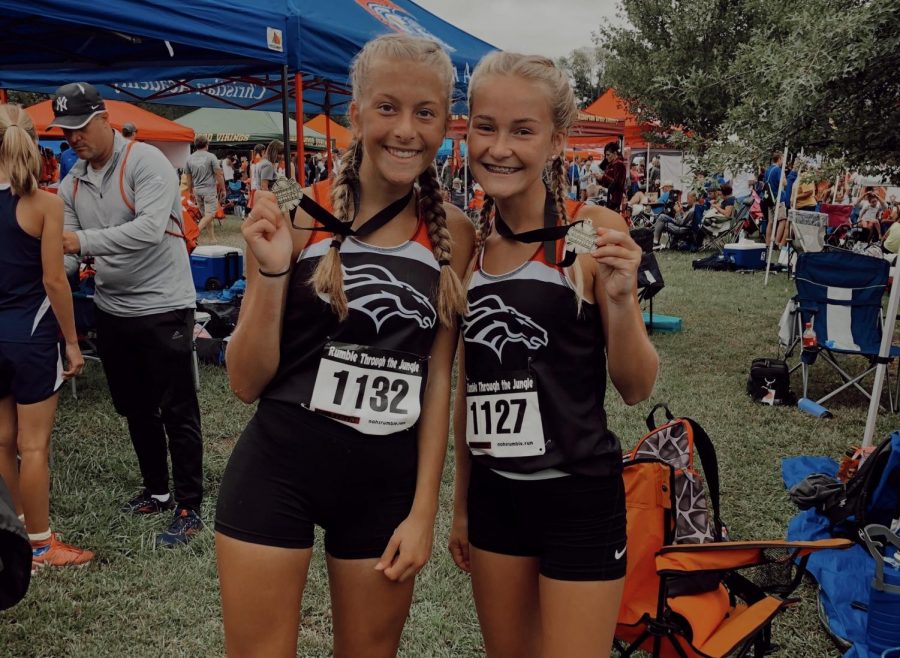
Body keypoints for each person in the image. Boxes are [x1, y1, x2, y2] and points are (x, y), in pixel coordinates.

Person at [214, 34, 474, 658]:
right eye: (387, 108)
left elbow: (440, 378)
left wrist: (423, 513)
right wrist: (273, 273)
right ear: (355, 114)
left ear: (445, 123)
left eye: (425, 112)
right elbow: (245, 382)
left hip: (383, 488)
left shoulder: (456, 237)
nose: (405, 129)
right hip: (277, 468)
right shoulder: (300, 215)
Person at [449, 51, 658, 658]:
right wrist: (461, 505)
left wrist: (619, 301)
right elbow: (471, 388)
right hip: (495, 497)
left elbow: (637, 386)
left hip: (578, 497)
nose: (499, 147)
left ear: (558, 139)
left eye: (523, 130)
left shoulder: (590, 230)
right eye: (485, 127)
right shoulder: (470, 245)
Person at [52, 82, 203, 548]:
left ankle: (188, 505)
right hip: (113, 308)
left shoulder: (146, 161)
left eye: (81, 127)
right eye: (67, 131)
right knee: (135, 408)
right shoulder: (71, 183)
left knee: (177, 409)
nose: (74, 138)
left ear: (104, 119)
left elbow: (150, 230)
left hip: (162, 304)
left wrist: (83, 245)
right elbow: (68, 254)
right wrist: (51, 278)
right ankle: (156, 491)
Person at [0, 104, 92, 569]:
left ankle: (15, 531)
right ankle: (40, 544)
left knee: (1, 441)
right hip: (30, 336)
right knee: (32, 446)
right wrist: (72, 342)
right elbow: (56, 281)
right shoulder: (46, 203)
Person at [185, 135, 225, 242]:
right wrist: (223, 189)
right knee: (210, 215)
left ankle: (212, 239)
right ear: (207, 145)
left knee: (205, 216)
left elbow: (188, 177)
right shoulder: (211, 157)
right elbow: (219, 174)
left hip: (197, 190)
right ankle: (193, 234)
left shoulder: (189, 158)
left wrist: (190, 191)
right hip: (209, 190)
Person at [598, 141, 626, 213]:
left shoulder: (619, 164)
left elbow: (617, 183)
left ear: (615, 153)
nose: (606, 157)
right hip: (610, 197)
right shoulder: (612, 164)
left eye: (608, 155)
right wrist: (600, 179)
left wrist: (603, 177)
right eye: (605, 155)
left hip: (614, 199)